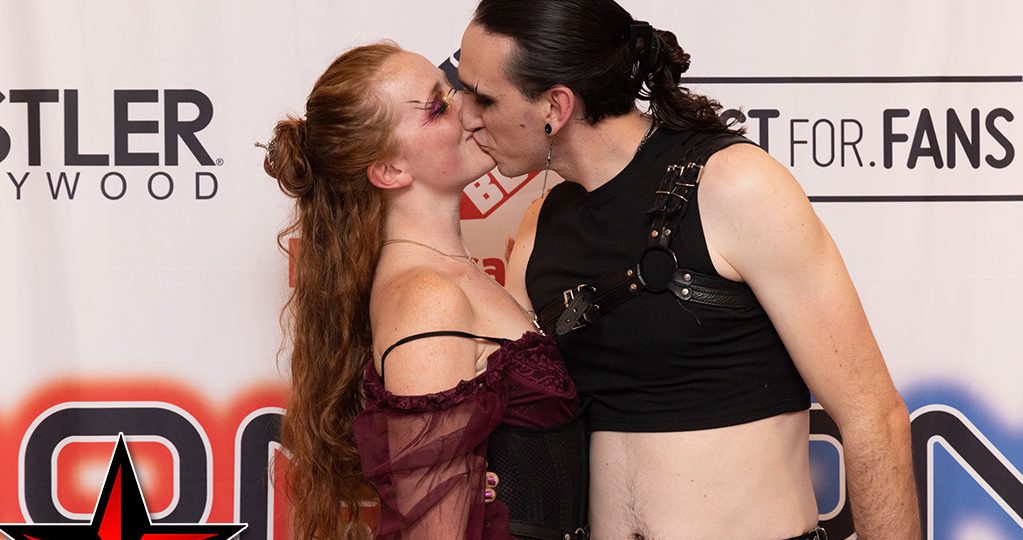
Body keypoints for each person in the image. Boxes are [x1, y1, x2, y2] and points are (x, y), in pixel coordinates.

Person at [457, 1, 920, 539]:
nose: (466, 116)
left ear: (555, 106)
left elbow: (873, 417)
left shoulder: (733, 184)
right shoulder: (539, 226)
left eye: (483, 98)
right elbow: (507, 415)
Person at [265, 42, 588, 539]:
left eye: (452, 91)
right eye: (438, 107)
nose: (469, 110)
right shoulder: (426, 297)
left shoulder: (451, 276)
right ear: (390, 170)